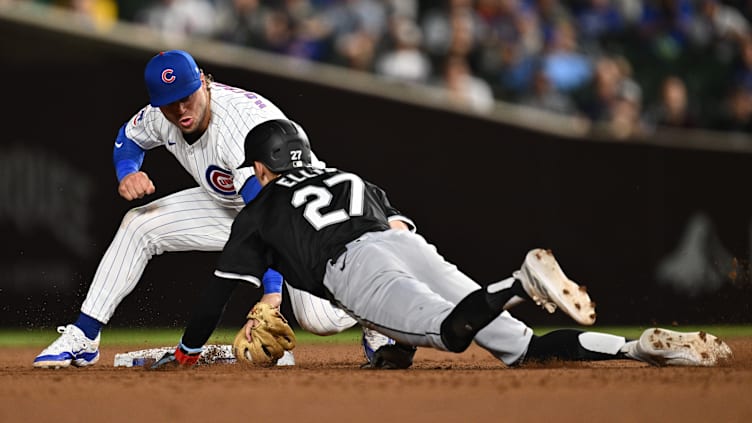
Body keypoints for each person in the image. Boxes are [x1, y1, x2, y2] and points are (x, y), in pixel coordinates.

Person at [151, 118, 733, 369]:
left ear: (261, 164)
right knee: (524, 349)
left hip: (357, 268)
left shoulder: (259, 208)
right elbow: (398, 225)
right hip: (399, 242)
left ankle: (518, 284)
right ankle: (641, 349)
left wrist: (186, 350)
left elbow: (214, 297)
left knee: (453, 334)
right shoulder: (347, 176)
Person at [32, 50, 404, 369]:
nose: (180, 109)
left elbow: (270, 218)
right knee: (139, 225)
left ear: (204, 83)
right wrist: (128, 171)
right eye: (170, 103)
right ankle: (85, 334)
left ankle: (373, 314)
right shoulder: (162, 115)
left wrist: (270, 298)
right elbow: (127, 138)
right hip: (233, 204)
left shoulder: (238, 132)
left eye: (187, 97)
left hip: (301, 212)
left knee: (319, 319)